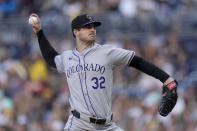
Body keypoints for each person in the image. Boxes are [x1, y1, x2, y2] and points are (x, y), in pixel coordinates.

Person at [29, 13, 178, 131]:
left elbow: (137, 61)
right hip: (79, 125)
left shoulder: (107, 52)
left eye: (93, 26)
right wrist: (39, 33)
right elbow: (51, 58)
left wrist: (166, 79)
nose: (92, 29)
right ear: (76, 32)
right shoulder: (67, 58)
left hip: (107, 126)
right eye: (87, 27)